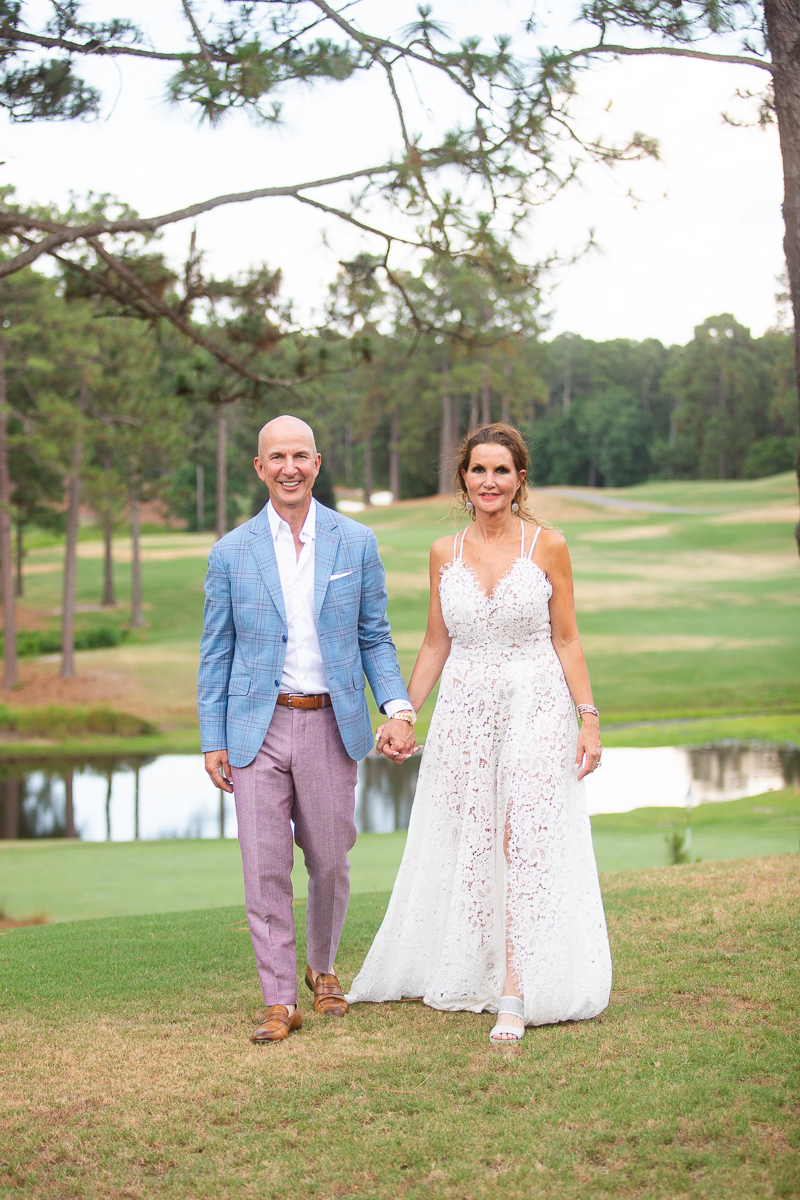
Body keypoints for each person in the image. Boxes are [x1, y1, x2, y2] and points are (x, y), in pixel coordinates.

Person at [347, 423, 612, 1042]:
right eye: (477, 470)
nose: (488, 481)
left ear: (520, 479)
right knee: (474, 835)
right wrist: (403, 713)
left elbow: (566, 638)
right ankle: (475, 966)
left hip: (536, 703)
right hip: (466, 708)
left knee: (523, 837)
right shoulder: (446, 551)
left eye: (501, 471)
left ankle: (517, 991)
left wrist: (589, 719)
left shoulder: (547, 545)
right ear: (462, 480)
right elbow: (436, 642)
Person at [198, 415, 416, 1045]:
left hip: (330, 722)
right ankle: (278, 999)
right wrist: (213, 736)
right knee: (262, 866)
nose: (289, 467)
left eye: (300, 455)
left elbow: (375, 635)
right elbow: (216, 652)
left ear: (317, 463)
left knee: (329, 859)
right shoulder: (231, 551)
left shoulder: (356, 542)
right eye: (276, 457)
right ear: (260, 468)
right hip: (255, 727)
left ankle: (323, 969)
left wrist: (395, 706)